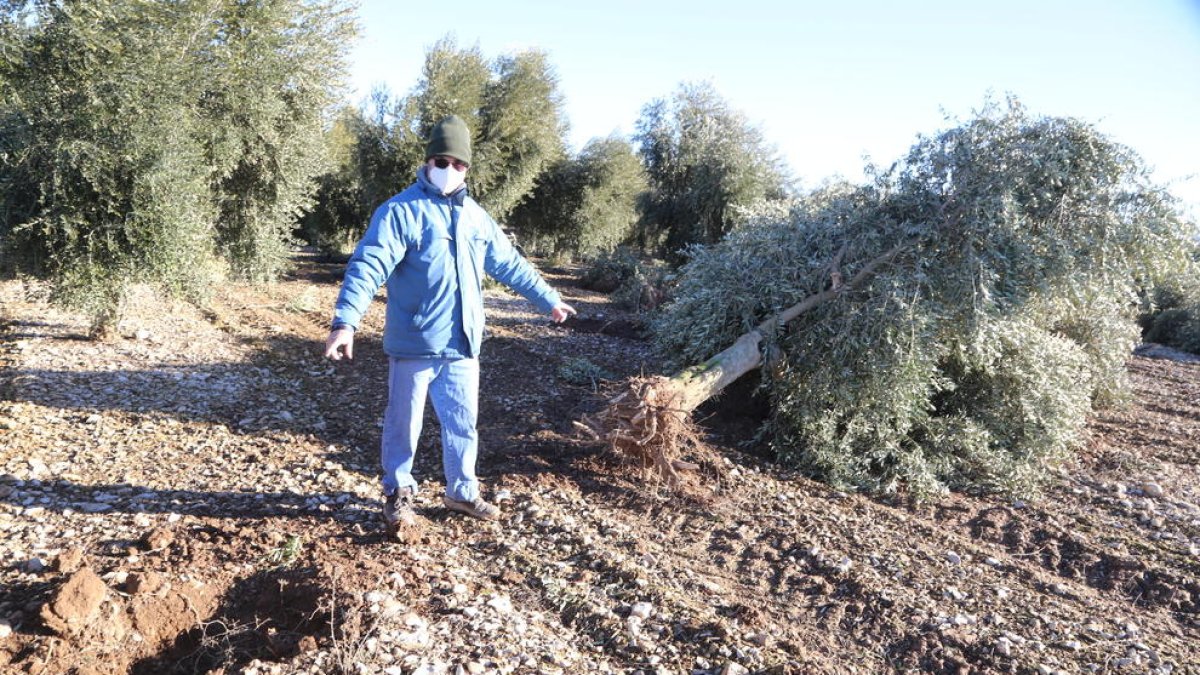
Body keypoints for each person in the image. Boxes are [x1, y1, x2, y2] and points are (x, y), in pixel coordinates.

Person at [323, 115, 575, 529]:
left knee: (463, 424)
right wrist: (345, 322)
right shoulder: (401, 212)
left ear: (468, 169)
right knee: (404, 425)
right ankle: (398, 493)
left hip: (462, 345)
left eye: (459, 164)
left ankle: (462, 492)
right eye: (443, 160)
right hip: (415, 343)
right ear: (428, 161)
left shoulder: (476, 217)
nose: (450, 170)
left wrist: (549, 299)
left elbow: (510, 264)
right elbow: (368, 266)